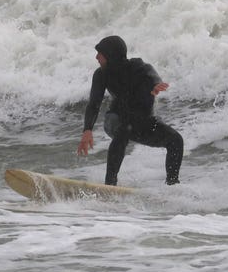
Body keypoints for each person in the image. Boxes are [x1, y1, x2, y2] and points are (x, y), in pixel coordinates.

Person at [77, 35, 183, 186]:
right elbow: (94, 103)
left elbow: (151, 74)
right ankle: (110, 185)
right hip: (116, 120)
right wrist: (87, 130)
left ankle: (172, 185)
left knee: (176, 140)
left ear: (111, 55)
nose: (96, 57)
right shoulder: (101, 74)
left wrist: (156, 84)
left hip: (142, 122)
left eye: (100, 53)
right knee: (124, 129)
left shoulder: (138, 67)